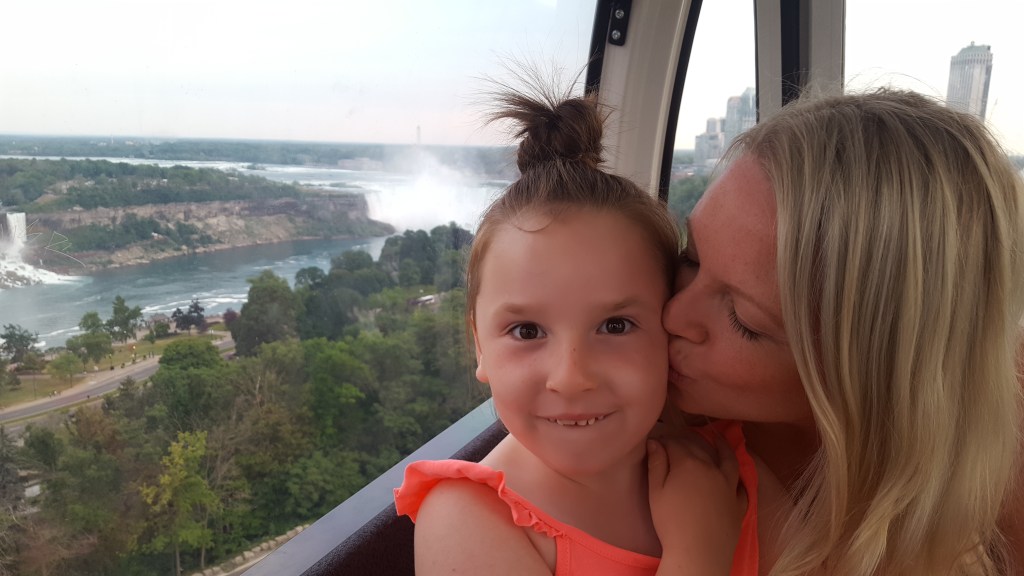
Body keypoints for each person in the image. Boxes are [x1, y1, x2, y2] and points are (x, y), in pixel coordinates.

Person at [660, 88, 1024, 575]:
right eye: (690, 256)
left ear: (869, 375)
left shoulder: (997, 493)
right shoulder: (621, 426)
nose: (672, 316)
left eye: (744, 321)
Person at [394, 85, 756, 575]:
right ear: (479, 345)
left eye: (615, 326)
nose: (571, 377)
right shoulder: (466, 522)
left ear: (669, 328)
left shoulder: (728, 453)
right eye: (527, 332)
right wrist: (699, 553)